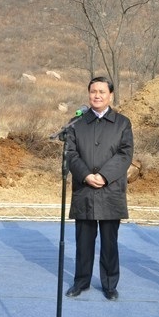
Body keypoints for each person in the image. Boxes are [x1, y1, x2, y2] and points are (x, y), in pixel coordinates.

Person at [64, 77, 133, 301]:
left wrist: (103, 176)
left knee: (109, 242)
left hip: (110, 191)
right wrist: (85, 175)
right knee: (83, 242)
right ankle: (81, 281)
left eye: (102, 92)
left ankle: (110, 284)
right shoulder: (77, 123)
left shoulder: (122, 123)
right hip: (84, 191)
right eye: (93, 91)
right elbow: (71, 153)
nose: (97, 95)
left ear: (110, 95)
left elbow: (125, 154)